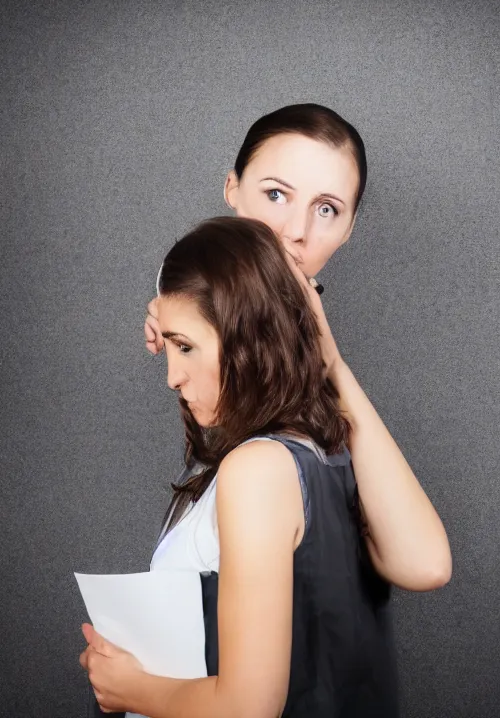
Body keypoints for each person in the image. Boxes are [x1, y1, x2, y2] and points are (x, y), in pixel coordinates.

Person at [80, 216, 404, 717]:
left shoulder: (258, 470)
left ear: (246, 340)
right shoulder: (324, 453)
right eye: (167, 345)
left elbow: (247, 707)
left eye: (186, 347)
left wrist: (130, 688)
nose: (171, 376)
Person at [144, 104, 452, 591]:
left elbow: (425, 565)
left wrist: (331, 362)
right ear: (231, 189)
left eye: (326, 208)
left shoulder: (309, 386)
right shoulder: (183, 299)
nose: (294, 231)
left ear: (349, 230)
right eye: (275, 194)